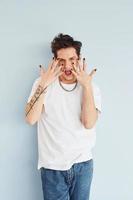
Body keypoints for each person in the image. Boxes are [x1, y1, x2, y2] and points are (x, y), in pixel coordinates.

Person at [25, 33, 102, 200]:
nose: (67, 66)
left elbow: (88, 123)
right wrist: (44, 84)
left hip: (83, 166)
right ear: (54, 61)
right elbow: (31, 118)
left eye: (72, 60)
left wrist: (86, 87)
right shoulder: (42, 83)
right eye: (61, 61)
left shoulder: (91, 87)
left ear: (80, 59)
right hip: (53, 168)